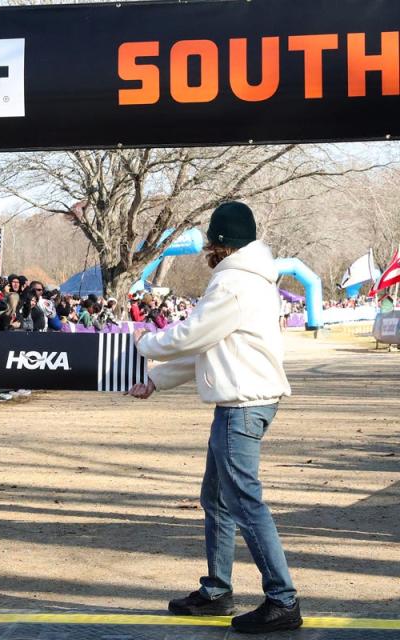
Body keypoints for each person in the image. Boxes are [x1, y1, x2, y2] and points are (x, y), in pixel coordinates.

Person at [129, 201, 301, 634]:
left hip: (241, 406)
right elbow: (212, 346)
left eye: (210, 242)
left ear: (220, 244)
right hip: (245, 402)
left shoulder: (234, 283)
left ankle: (282, 600)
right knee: (220, 501)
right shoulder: (249, 279)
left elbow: (192, 334)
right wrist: (158, 380)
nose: (208, 250)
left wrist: (145, 344)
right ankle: (217, 591)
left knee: (243, 504)